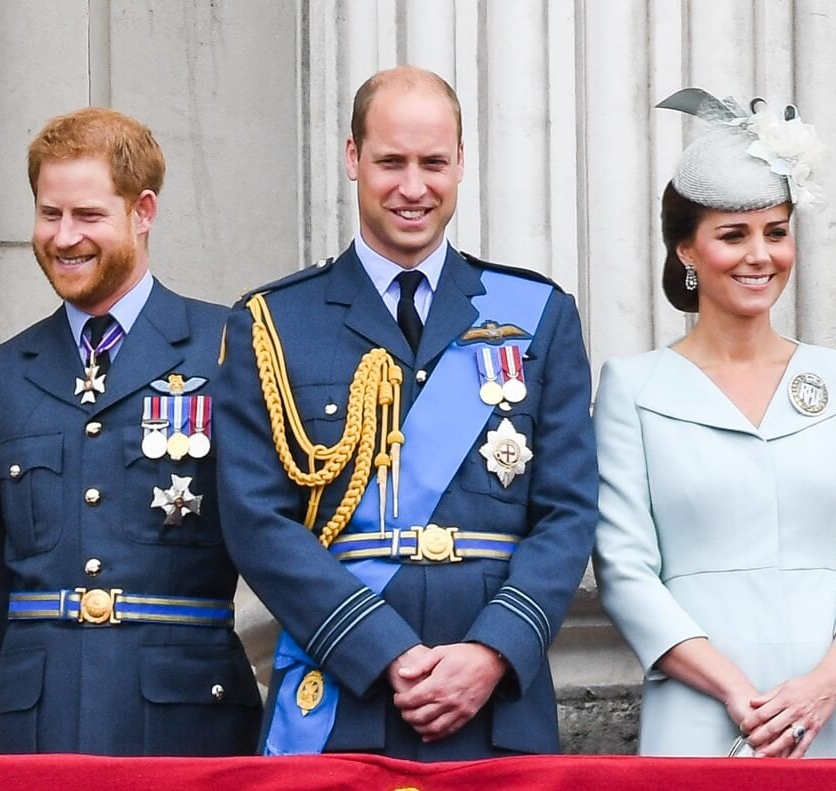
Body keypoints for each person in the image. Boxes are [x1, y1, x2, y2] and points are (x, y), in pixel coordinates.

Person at [216, 66, 598, 760]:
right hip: (344, 693)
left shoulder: (538, 315)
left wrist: (490, 651)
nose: (413, 187)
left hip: (495, 703)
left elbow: (567, 513)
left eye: (433, 162)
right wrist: (383, 650)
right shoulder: (274, 322)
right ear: (353, 158)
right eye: (391, 161)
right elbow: (256, 519)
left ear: (461, 163)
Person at [592, 89, 836, 758]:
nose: (760, 255)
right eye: (733, 235)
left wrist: (822, 686)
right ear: (687, 251)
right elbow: (625, 570)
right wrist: (740, 694)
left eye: (776, 230)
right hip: (699, 708)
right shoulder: (633, 388)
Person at [0, 107, 260, 755]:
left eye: (88, 215)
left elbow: (277, 533)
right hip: (40, 722)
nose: (64, 237)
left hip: (188, 721)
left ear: (142, 211)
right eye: (49, 213)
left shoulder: (232, 348)